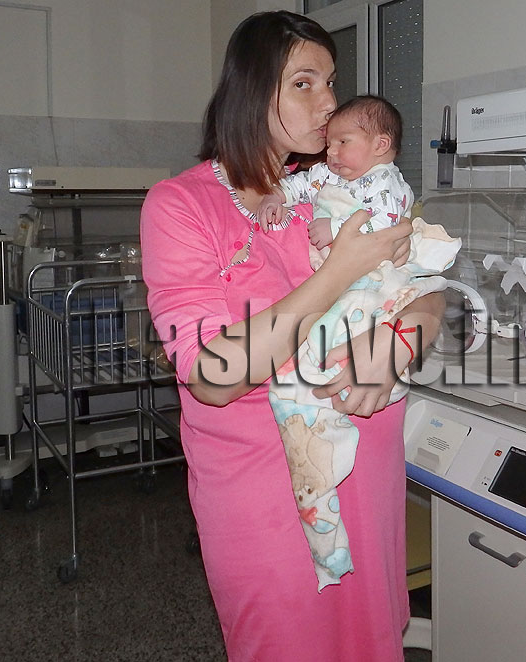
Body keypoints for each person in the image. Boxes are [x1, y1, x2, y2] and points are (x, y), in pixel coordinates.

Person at [139, 10, 444, 662]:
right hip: (265, 497)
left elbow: (426, 286)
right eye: (304, 83)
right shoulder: (181, 206)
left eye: (330, 82)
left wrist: (400, 343)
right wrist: (337, 273)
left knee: (372, 642)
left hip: (368, 477)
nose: (329, 102)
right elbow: (212, 374)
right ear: (251, 89)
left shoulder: (336, 187)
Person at [257, 95, 460, 590]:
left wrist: (333, 228)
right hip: (336, 286)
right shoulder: (330, 173)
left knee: (348, 333)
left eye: (342, 142)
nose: (330, 153)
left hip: (371, 281)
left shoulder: (385, 182)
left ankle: (335, 392)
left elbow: (388, 228)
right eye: (329, 144)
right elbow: (301, 183)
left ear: (380, 146)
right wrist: (277, 195)